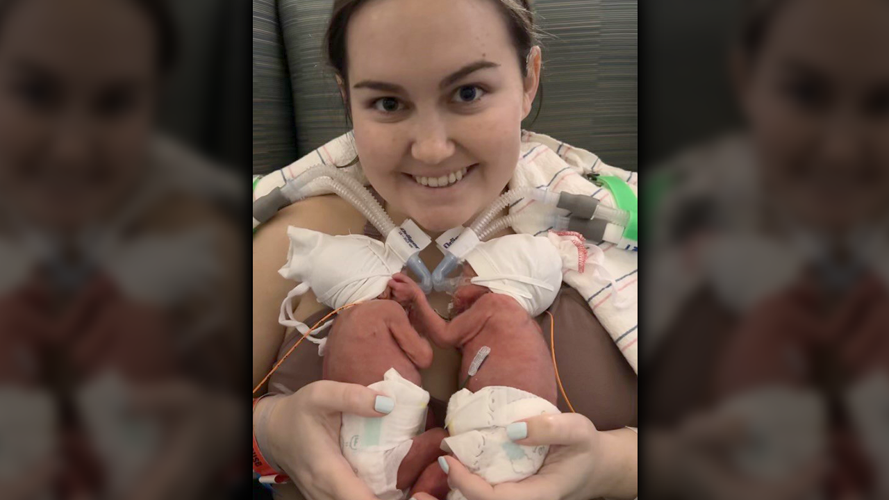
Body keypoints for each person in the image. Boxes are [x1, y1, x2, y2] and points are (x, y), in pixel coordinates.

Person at [252, 0, 638, 499]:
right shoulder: (296, 241)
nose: (431, 150)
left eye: (468, 93)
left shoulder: (606, 233)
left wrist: (608, 467)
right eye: (389, 104)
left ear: (528, 80)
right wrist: (271, 433)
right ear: (348, 99)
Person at [0, 0, 242, 497]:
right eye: (36, 93)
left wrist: (222, 437)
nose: (71, 148)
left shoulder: (203, 250)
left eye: (114, 104)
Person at [647, 0, 889, 497]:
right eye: (805, 93)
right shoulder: (666, 212)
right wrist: (666, 466)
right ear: (745, 79)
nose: (841, 149)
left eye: (884, 104)